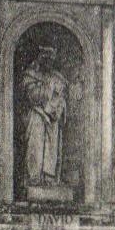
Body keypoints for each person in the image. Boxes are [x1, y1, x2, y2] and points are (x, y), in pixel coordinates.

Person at [23, 46, 68, 190]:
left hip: (52, 118)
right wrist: (46, 97)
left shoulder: (57, 78)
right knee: (35, 143)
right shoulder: (31, 75)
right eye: (45, 58)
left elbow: (61, 98)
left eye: (51, 59)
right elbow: (31, 96)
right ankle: (34, 177)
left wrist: (55, 108)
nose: (48, 62)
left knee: (52, 146)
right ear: (40, 58)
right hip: (37, 115)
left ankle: (49, 177)